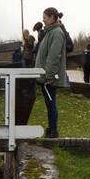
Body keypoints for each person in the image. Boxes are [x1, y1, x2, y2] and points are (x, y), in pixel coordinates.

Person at [34, 7, 69, 139]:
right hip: (46, 76)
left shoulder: (57, 33)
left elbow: (54, 56)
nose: (43, 19)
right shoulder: (50, 32)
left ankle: (53, 131)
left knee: (51, 103)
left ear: (52, 18)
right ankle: (51, 129)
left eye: (45, 17)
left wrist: (49, 76)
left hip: (49, 77)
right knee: (49, 103)